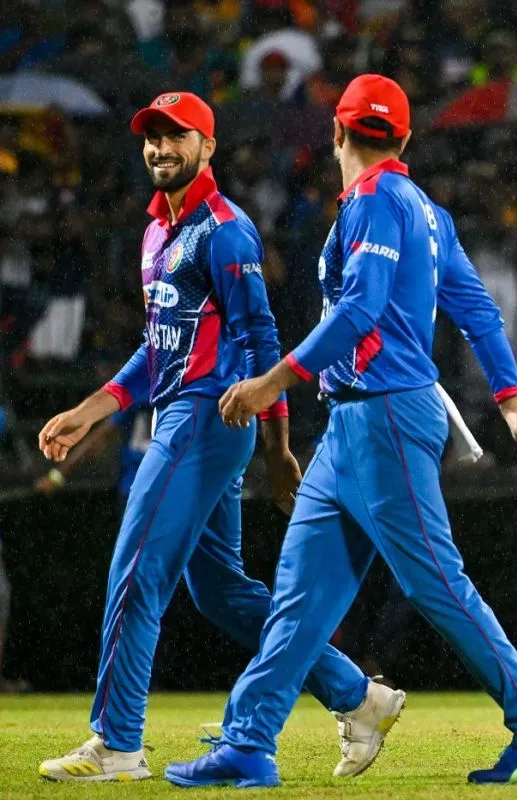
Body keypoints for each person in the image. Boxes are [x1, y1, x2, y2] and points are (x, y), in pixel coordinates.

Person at [164, 75, 517, 789]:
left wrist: (274, 382)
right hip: (358, 421)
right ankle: (248, 742)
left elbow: (360, 311)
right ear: (405, 138)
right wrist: (512, 401)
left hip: (386, 415)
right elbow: (477, 309)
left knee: (438, 585)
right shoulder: (425, 209)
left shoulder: (374, 202)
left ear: (336, 132)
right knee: (300, 596)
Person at [36, 92, 403, 783]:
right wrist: (94, 409)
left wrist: (279, 450)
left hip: (207, 419)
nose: (160, 149)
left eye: (177, 137)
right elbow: (158, 349)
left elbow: (261, 340)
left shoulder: (225, 231)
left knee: (136, 573)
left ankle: (116, 745)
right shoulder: (156, 233)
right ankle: (359, 696)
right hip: (182, 416)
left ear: (208, 147)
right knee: (221, 593)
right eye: (151, 138)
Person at [33, 402, 152, 509]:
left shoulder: (142, 389)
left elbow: (102, 436)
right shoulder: (147, 391)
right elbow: (102, 436)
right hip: (152, 490)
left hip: (137, 489)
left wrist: (57, 476)